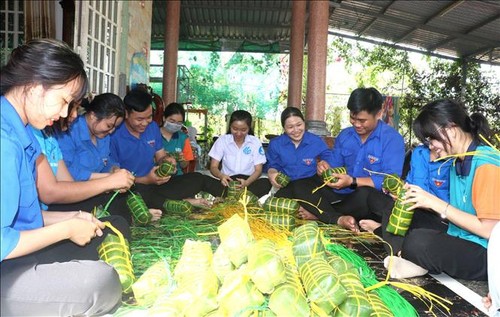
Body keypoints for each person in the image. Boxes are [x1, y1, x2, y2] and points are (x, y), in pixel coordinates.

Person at [1, 38, 124, 316]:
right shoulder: (4, 141)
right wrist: (66, 230)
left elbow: (21, 215)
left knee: (104, 236)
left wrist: (72, 218)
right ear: (34, 87)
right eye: (64, 101)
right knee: (100, 283)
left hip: (15, 255)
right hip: (6, 263)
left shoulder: (23, 136)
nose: (65, 114)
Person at [385, 99, 499, 280]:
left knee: (418, 241)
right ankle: (411, 257)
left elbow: (489, 230)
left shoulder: (487, 164)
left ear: (451, 129)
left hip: (489, 253)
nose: (431, 147)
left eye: (432, 139)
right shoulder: (457, 161)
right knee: (404, 214)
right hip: (462, 235)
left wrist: (436, 204)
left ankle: (414, 258)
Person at [292, 87, 406, 231]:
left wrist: (352, 182)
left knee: (366, 195)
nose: (356, 124)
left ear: (379, 113)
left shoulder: (392, 139)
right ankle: (337, 218)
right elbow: (334, 163)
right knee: (299, 185)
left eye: (362, 120)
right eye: (353, 118)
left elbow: (391, 179)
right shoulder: (345, 135)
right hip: (339, 193)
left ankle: (321, 213)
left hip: (362, 198)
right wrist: (325, 167)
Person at [53, 93, 160, 223]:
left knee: (133, 193)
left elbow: (107, 160)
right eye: (109, 126)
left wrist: (113, 169)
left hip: (98, 191)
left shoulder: (103, 136)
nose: (111, 131)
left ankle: (131, 216)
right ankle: (129, 217)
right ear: (93, 116)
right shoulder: (68, 131)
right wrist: (108, 180)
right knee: (115, 215)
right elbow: (68, 173)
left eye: (115, 127)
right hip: (74, 195)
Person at [110, 89, 222, 208]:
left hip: (157, 185)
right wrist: (146, 180)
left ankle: (234, 197)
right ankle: (179, 204)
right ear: (126, 114)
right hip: (132, 188)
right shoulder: (114, 135)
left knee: (199, 179)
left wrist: (167, 161)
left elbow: (160, 156)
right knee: (142, 198)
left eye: (149, 117)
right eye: (139, 119)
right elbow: (113, 178)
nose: (145, 123)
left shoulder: (152, 127)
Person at [358, 144, 451, 260]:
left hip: (443, 217)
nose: (431, 144)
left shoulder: (455, 158)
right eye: (427, 139)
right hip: (417, 209)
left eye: (433, 138)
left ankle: (381, 232)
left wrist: (426, 201)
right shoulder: (419, 152)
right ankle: (399, 252)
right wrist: (400, 189)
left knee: (421, 236)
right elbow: (409, 183)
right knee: (390, 208)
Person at [265, 107, 333, 198]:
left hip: (311, 183)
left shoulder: (315, 141)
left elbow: (328, 156)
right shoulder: (276, 144)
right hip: (286, 184)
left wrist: (325, 163)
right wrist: (272, 173)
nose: (296, 130)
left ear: (304, 123)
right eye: (290, 127)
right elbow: (272, 164)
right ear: (284, 128)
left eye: (299, 125)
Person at [209, 110, 271, 197]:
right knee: (202, 179)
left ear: (249, 128)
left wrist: (247, 183)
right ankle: (242, 198)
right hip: (227, 182)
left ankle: (237, 198)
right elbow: (213, 167)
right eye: (235, 129)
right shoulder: (222, 140)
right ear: (230, 126)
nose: (238, 133)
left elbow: (258, 170)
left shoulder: (255, 142)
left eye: (243, 130)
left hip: (248, 182)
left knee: (266, 182)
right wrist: (221, 176)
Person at [160, 102, 194, 175]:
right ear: (164, 118)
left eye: (179, 123)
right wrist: (160, 156)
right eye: (172, 121)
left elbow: (184, 165)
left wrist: (182, 159)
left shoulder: (183, 138)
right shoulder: (153, 135)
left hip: (176, 177)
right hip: (155, 176)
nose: (175, 125)